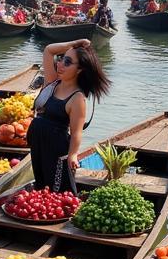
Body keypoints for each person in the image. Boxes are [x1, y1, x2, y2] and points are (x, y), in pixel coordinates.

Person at [27, 38, 111, 193]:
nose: (60, 64)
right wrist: (74, 44)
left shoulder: (77, 98)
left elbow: (76, 132)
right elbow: (49, 50)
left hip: (56, 148)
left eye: (67, 62)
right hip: (38, 141)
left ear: (79, 70)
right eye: (61, 59)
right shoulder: (53, 82)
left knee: (58, 188)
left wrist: (72, 155)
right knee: (41, 184)